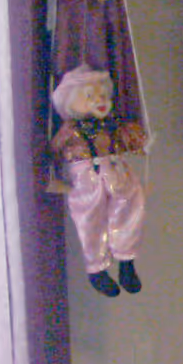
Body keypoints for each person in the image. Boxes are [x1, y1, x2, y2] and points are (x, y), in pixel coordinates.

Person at [50, 63, 147, 296]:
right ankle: (97, 269)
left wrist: (138, 140)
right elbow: (52, 152)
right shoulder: (68, 132)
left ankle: (126, 261)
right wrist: (52, 176)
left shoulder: (110, 124)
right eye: (90, 96)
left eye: (102, 95)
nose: (99, 100)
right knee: (90, 220)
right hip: (86, 179)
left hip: (114, 171)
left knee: (130, 206)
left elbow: (129, 140)